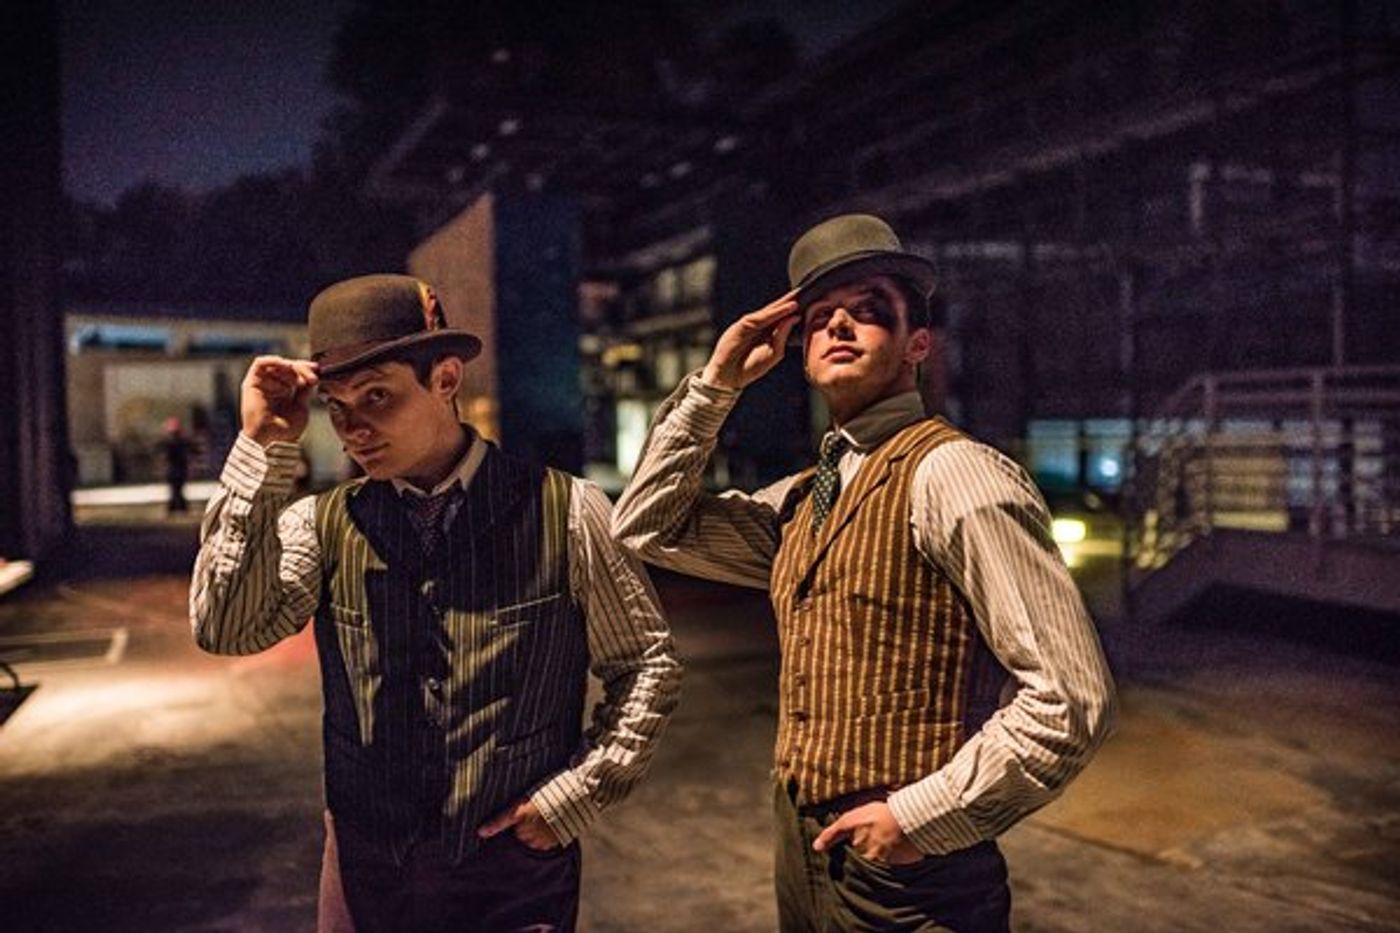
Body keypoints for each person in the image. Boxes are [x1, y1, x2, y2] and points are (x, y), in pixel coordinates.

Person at [612, 214, 1115, 932]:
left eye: (870, 310)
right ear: (801, 350)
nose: (841, 324)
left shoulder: (953, 474)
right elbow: (646, 526)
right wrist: (717, 384)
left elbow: (1071, 699)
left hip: (912, 874)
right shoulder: (805, 496)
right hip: (805, 848)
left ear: (917, 344)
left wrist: (917, 818)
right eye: (820, 318)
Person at [189, 274, 681, 933]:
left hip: (511, 875)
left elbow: (646, 662)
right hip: (370, 873)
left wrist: (575, 795)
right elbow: (226, 625)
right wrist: (262, 445)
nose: (353, 429)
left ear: (446, 378)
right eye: (336, 406)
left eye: (378, 396)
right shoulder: (324, 524)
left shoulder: (565, 510)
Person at [160, 415, 191, 514]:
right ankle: (179, 506)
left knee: (175, 489)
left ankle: (175, 507)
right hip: (179, 469)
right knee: (177, 489)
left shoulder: (168, 442)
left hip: (174, 469)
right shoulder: (182, 441)